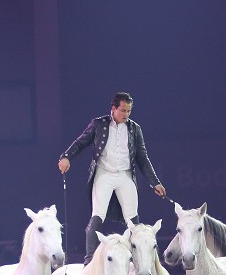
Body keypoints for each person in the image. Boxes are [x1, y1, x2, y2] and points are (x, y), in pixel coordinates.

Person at [58, 92, 166, 262]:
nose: (126, 114)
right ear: (113, 109)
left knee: (133, 221)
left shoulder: (134, 129)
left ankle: (138, 260)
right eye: (123, 110)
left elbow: (142, 158)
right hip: (104, 174)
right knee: (97, 215)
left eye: (129, 111)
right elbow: (80, 142)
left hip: (124, 175)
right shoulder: (99, 124)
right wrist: (66, 156)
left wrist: (155, 182)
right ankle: (90, 260)